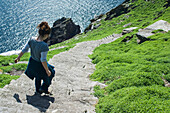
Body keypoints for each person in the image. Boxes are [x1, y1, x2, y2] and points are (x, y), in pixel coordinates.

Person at [15, 22, 55, 95]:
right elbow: (43, 60)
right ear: (46, 35)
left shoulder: (31, 40)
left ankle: (38, 90)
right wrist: (47, 70)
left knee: (38, 77)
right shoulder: (44, 46)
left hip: (32, 63)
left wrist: (18, 57)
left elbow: (24, 49)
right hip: (39, 64)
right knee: (51, 72)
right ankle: (44, 88)